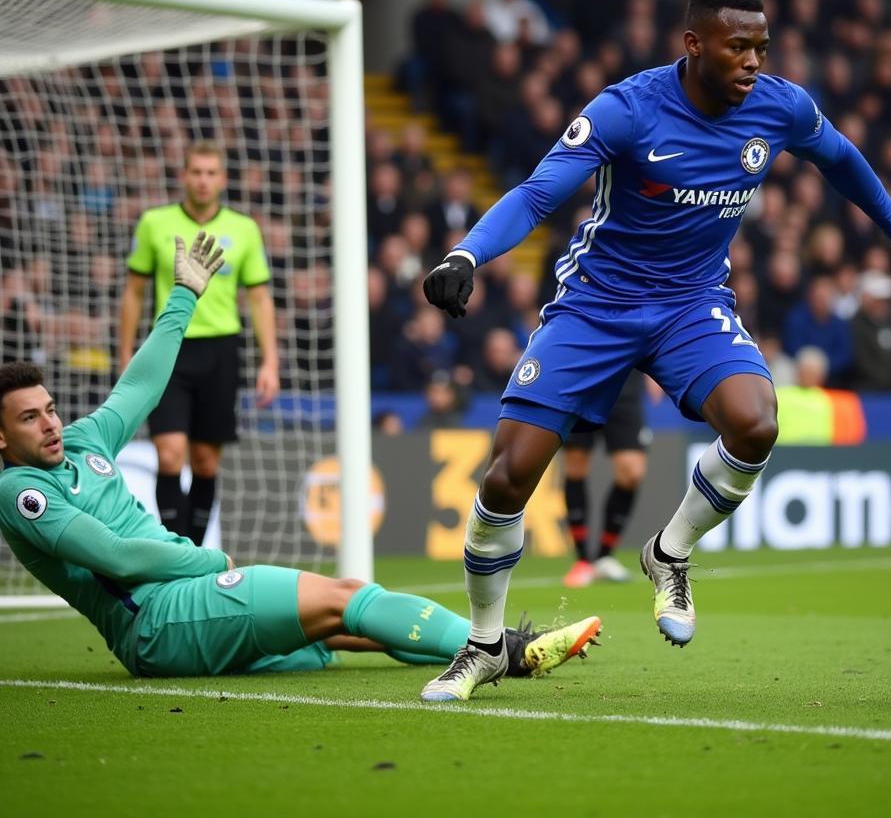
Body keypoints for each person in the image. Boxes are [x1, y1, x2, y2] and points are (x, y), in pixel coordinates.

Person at [419, 0, 891, 702]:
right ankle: (482, 646)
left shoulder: (779, 107)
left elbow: (843, 160)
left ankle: (669, 553)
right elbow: (540, 192)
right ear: (693, 44)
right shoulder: (627, 110)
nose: (754, 62)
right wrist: (467, 254)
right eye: (739, 47)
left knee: (757, 421)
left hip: (690, 305)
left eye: (762, 46)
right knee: (509, 476)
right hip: (596, 307)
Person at [0, 233, 602, 679]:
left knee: (344, 622)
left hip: (176, 614)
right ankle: (511, 652)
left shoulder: (82, 443)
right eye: (31, 418)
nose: (51, 423)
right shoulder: (19, 492)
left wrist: (184, 293)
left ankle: (497, 648)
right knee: (346, 599)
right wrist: (205, 562)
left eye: (49, 408)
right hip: (158, 618)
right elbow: (114, 556)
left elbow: (139, 386)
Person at [119, 141, 279, 547]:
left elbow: (259, 297)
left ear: (222, 179)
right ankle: (173, 554)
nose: (204, 181)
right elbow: (134, 292)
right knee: (170, 455)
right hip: (168, 349)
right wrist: (125, 354)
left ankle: (188, 556)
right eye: (197, 172)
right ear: (183, 176)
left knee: (206, 461)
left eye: (211, 173)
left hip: (221, 351)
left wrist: (270, 362)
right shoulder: (155, 223)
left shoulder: (244, 229)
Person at [562, 370, 650, 587]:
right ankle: (583, 559)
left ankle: (604, 557)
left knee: (632, 473)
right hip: (584, 382)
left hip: (625, 385)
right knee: (576, 465)